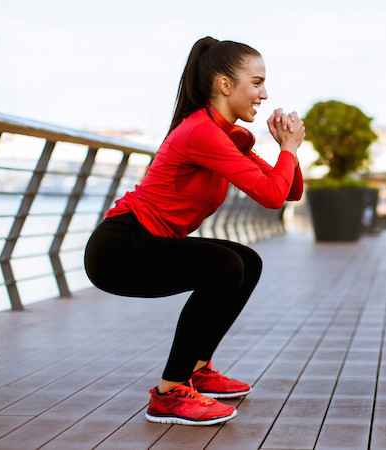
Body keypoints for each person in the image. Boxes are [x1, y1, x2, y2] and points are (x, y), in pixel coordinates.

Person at [84, 37, 305, 426]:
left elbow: (288, 190)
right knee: (224, 265)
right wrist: (287, 147)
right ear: (224, 85)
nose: (264, 94)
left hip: (146, 242)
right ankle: (170, 392)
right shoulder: (201, 133)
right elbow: (273, 196)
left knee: (246, 261)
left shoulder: (225, 136)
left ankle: (198, 369)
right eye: (256, 83)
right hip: (120, 247)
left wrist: (288, 150)